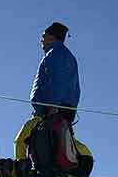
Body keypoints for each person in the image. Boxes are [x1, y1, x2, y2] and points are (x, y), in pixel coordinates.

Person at [13, 21, 81, 162]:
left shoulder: (54, 54)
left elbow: (57, 81)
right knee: (60, 141)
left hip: (51, 109)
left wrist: (53, 107)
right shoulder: (69, 57)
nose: (41, 40)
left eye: (43, 36)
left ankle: (21, 170)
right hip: (66, 108)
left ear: (51, 37)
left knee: (22, 139)